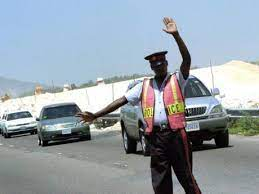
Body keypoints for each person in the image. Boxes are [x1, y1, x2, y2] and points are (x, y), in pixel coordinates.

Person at [76, 17, 201, 194]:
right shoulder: (143, 86)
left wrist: (176, 36)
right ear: (152, 67)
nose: (159, 67)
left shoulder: (177, 80)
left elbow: (186, 59)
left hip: (176, 137)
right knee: (161, 184)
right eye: (155, 65)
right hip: (156, 139)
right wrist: (96, 115)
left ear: (166, 64)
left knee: (187, 178)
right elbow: (121, 100)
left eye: (161, 64)